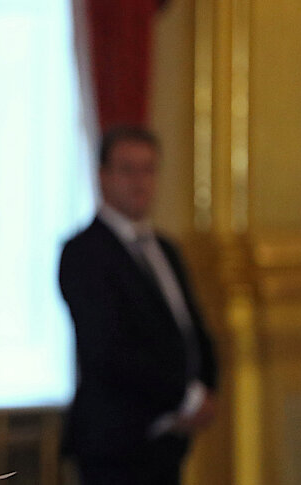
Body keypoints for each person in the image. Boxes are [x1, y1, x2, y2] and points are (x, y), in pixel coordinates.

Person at [58, 126, 218, 485]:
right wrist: (186, 397)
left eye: (148, 169)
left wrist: (208, 388)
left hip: (169, 443)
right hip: (115, 445)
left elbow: (190, 329)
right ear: (103, 176)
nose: (139, 181)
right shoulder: (83, 253)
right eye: (127, 169)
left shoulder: (166, 249)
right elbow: (109, 349)